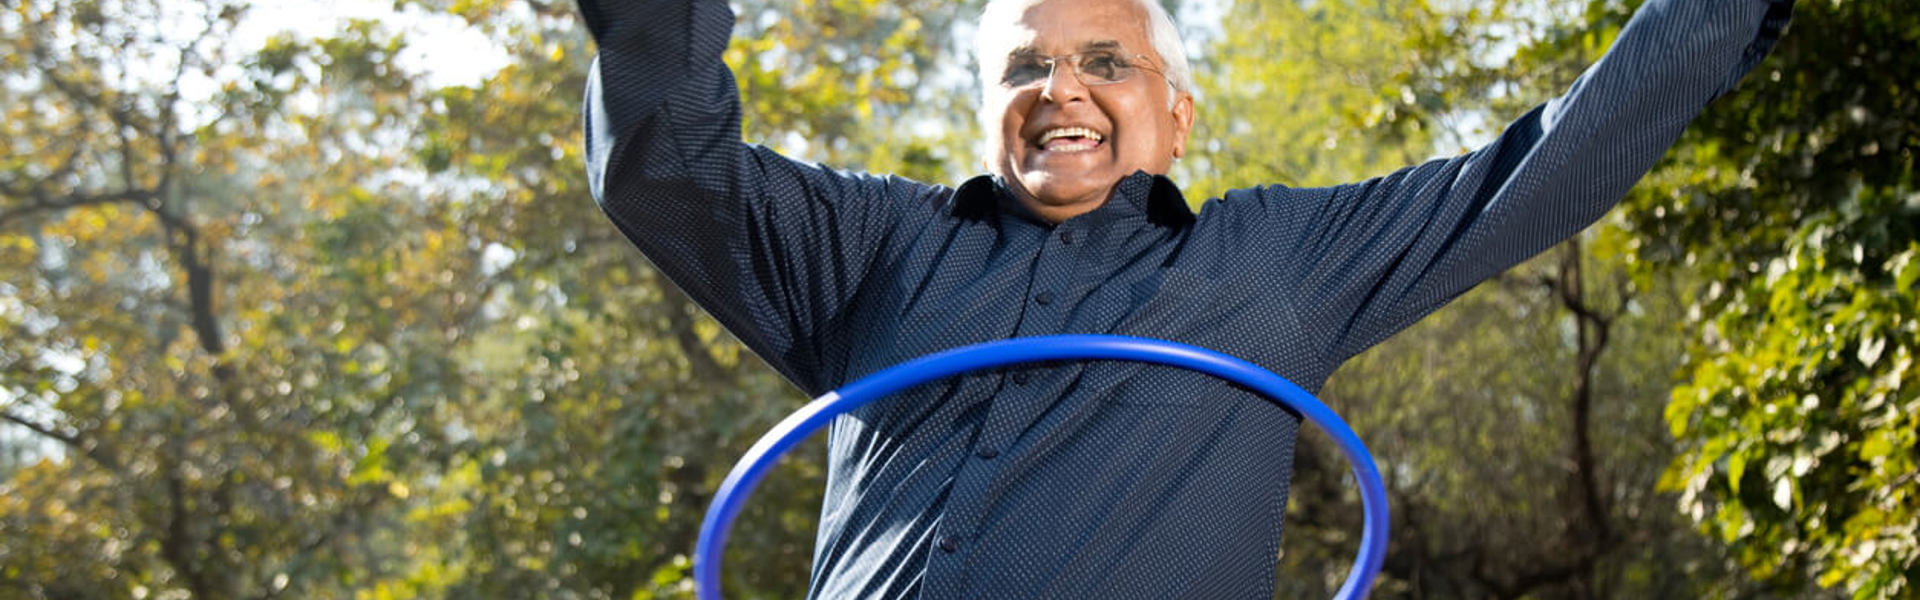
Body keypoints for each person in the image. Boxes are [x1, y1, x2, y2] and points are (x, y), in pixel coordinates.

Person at [577, 0, 1793, 596]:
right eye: (1025, 66)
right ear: (988, 109)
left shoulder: (1278, 263)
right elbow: (664, 160)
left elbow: (1540, 170)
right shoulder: (868, 245)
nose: (1063, 88)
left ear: (1177, 113)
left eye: (1108, 62)